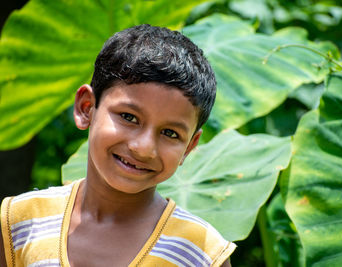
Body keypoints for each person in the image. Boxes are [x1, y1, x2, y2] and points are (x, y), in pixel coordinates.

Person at [0, 24, 236, 266]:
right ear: (87, 108)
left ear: (188, 147)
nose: (143, 147)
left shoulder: (203, 253)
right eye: (128, 117)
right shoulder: (18, 222)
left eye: (169, 133)